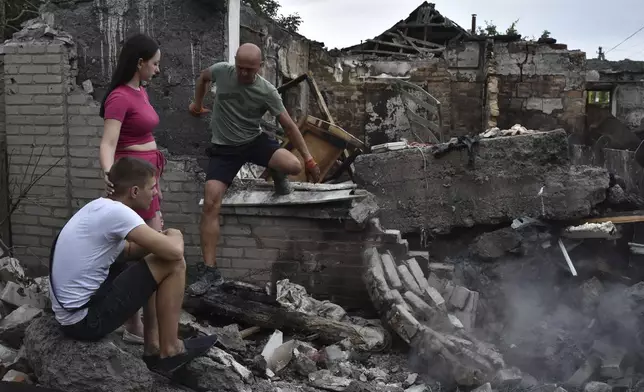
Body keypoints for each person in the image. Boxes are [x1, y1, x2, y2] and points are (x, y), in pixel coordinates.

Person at [49, 157, 217, 376]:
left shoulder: (98, 207)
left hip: (71, 317)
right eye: (152, 187)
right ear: (135, 191)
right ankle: (171, 349)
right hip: (85, 321)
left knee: (149, 257)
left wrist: (156, 241)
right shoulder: (119, 213)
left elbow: (127, 252)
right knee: (174, 263)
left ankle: (153, 347)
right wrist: (175, 234)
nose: (156, 193)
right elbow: (174, 252)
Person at [186, 43, 321, 296]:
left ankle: (277, 171)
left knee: (293, 165)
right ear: (234, 62)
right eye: (240, 68)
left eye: (250, 69)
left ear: (260, 67)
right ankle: (210, 272)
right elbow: (203, 77)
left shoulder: (267, 91)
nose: (244, 74)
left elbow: (291, 127)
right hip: (224, 149)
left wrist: (310, 160)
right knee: (211, 202)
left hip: (253, 142)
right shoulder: (221, 71)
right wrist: (197, 103)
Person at [98, 33, 165, 344]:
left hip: (149, 177)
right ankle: (136, 326)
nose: (158, 69)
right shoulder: (120, 97)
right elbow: (109, 142)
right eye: (154, 63)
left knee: (148, 250)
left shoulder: (142, 92)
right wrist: (109, 174)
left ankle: (142, 327)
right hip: (133, 183)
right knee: (143, 252)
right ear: (140, 63)